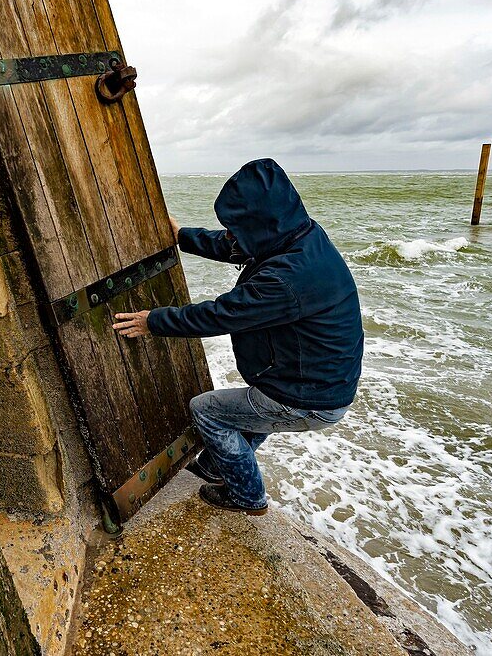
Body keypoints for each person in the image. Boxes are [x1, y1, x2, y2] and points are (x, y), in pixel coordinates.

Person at [112, 158, 363, 515]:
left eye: (236, 228)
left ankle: (247, 497)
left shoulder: (287, 278)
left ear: (261, 224)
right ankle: (217, 466)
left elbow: (222, 314)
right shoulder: (299, 235)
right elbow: (236, 246)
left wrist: (154, 321)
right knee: (252, 410)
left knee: (208, 411)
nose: (230, 235)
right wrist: (183, 237)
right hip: (319, 381)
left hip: (309, 397)